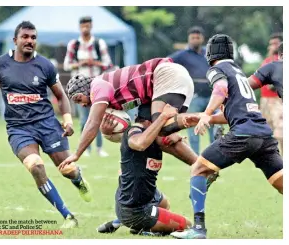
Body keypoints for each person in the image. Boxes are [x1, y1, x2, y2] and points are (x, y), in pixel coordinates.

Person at [171, 34, 283, 239]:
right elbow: (236, 112)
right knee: (281, 182)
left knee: (198, 168)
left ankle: (198, 229)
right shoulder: (238, 71)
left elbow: (220, 90)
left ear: (212, 52)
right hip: (262, 135)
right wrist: (208, 118)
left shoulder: (217, 69)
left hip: (243, 135)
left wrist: (206, 113)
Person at [0, 21, 91, 228]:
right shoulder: (0, 64)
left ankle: (78, 180)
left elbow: (61, 96)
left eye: (33, 37)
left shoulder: (45, 65)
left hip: (47, 124)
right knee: (35, 166)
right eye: (25, 37)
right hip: (18, 128)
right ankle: (68, 216)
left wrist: (68, 120)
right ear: (15, 40)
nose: (30, 41)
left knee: (68, 170)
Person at [59, 57, 196, 169]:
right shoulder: (110, 99)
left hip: (164, 74)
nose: (82, 105)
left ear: (86, 89)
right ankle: (200, 166)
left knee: (163, 126)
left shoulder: (98, 85)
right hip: (154, 92)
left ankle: (206, 117)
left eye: (79, 99)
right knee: (157, 136)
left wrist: (77, 154)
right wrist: (108, 132)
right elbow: (132, 132)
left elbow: (92, 122)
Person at [104, 104, 192, 234]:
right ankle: (140, 227)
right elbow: (139, 143)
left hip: (142, 196)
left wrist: (177, 137)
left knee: (164, 204)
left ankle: (124, 222)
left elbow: (184, 153)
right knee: (187, 225)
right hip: (135, 210)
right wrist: (163, 117)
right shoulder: (136, 133)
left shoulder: (155, 136)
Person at [63, 16, 113, 157]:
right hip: (79, 89)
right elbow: (67, 64)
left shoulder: (99, 43)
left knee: (97, 117)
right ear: (80, 27)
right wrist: (81, 63)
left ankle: (99, 148)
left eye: (88, 26)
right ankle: (87, 149)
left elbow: (108, 64)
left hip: (96, 85)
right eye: (83, 26)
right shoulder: (74, 44)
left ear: (91, 26)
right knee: (85, 119)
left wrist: (94, 63)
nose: (85, 28)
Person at [168, 26, 217, 155]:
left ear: (202, 38)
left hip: (212, 97)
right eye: (193, 37)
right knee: (192, 127)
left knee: (215, 127)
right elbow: (166, 64)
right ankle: (194, 158)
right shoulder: (182, 55)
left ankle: (213, 157)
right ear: (189, 39)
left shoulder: (209, 54)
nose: (195, 40)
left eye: (198, 37)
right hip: (194, 97)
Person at [257, 33, 283, 155]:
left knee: (281, 130)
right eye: (271, 44)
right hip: (265, 100)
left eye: (275, 44)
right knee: (266, 131)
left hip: (278, 100)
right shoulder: (267, 61)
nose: (272, 47)